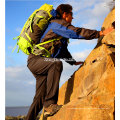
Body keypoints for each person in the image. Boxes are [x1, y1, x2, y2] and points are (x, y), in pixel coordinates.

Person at [26, 4, 114, 120]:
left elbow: (62, 51)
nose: (72, 18)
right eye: (71, 15)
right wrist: (100, 33)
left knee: (39, 97)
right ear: (65, 14)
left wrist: (72, 62)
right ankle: (49, 105)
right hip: (37, 60)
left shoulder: (58, 30)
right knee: (55, 63)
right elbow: (76, 32)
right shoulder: (57, 24)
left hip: (39, 62)